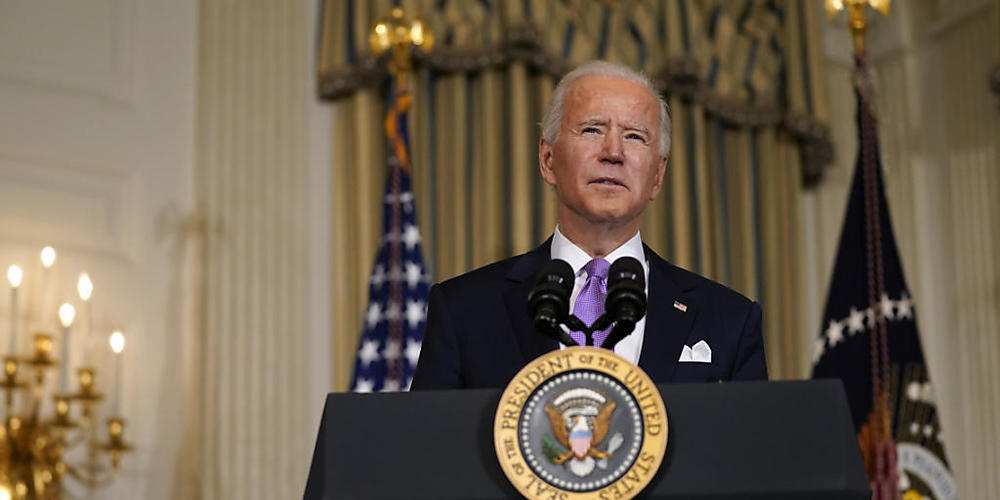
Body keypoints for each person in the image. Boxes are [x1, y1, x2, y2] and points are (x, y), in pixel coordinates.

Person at [411, 61, 766, 390]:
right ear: (548, 160)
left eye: (634, 136)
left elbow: (748, 454)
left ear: (657, 175)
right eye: (592, 129)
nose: (613, 152)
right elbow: (429, 448)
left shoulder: (729, 320)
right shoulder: (464, 310)